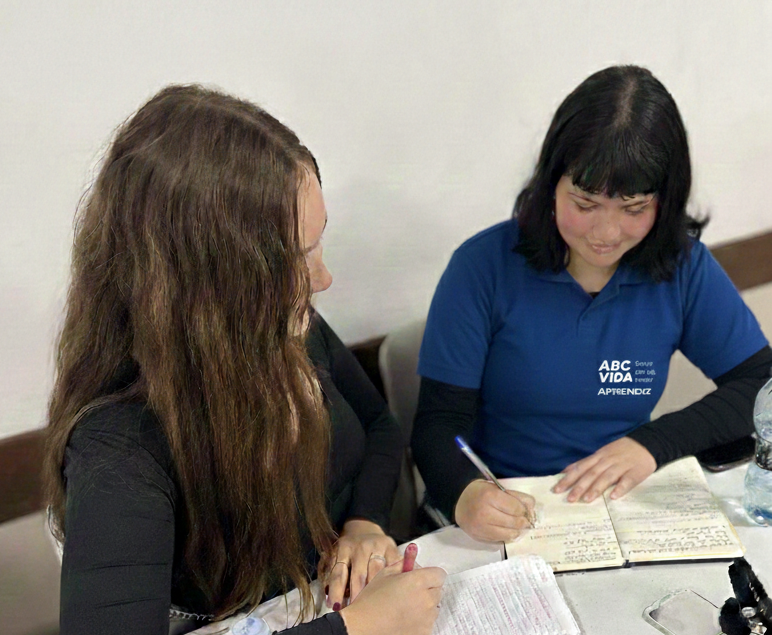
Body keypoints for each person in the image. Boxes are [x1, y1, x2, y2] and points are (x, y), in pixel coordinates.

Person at [44, 85, 445, 635]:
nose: (324, 279)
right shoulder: (120, 444)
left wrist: (363, 524)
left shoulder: (279, 328)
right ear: (207, 284)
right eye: (297, 259)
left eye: (318, 244)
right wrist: (359, 627)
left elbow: (379, 424)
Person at [412, 65, 772, 544]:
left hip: (617, 511)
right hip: (506, 509)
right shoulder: (482, 268)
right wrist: (467, 492)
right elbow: (439, 425)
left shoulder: (683, 268)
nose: (606, 234)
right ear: (550, 184)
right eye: (584, 205)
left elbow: (761, 383)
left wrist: (652, 444)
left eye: (634, 209)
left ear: (665, 201)